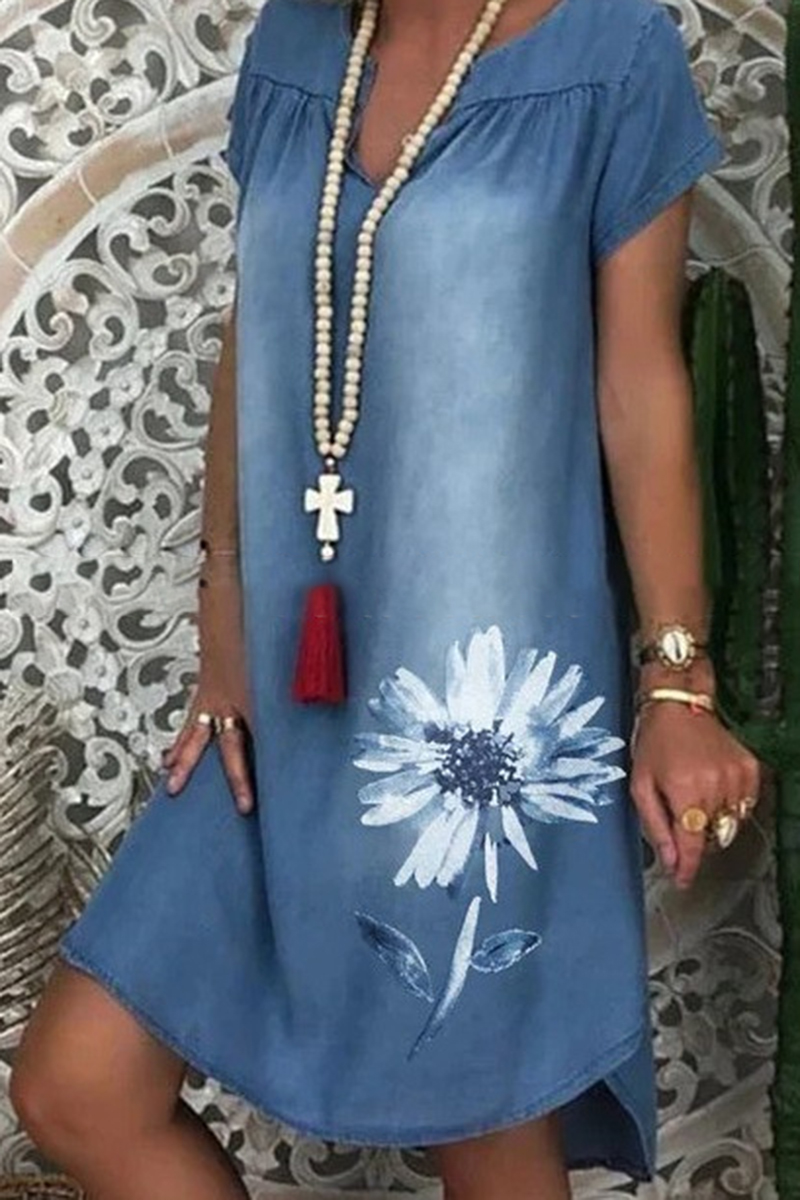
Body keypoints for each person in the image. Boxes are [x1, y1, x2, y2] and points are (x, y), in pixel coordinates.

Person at [9, 0, 762, 1196]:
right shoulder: (296, 43)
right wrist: (221, 616)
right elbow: (256, 334)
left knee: (480, 1125)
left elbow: (638, 384)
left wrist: (677, 677)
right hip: (285, 690)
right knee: (77, 1088)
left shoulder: (611, 52)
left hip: (469, 723)